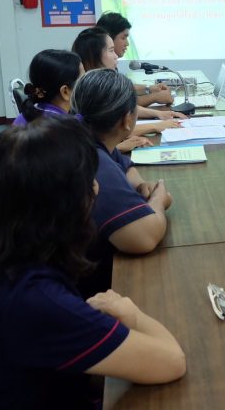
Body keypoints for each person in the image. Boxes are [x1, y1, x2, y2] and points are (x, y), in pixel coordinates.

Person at [0, 117, 186, 409]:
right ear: (64, 204)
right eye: (88, 183)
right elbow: (172, 360)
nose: (96, 189)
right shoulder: (33, 299)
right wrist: (130, 313)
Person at [72, 69, 174, 295]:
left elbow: (124, 165)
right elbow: (144, 238)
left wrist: (139, 185)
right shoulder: (95, 164)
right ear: (128, 120)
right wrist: (159, 199)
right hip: (81, 289)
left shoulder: (84, 135)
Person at [72, 27, 183, 144]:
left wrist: (159, 114)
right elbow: (110, 132)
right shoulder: (88, 90)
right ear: (93, 56)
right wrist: (156, 126)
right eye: (111, 51)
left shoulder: (99, 83)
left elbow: (122, 107)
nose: (116, 56)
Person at [96, 12, 174, 107]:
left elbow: (123, 89)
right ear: (109, 38)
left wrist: (151, 88)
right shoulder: (97, 71)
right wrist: (155, 97)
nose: (127, 43)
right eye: (123, 38)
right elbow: (119, 104)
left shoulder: (108, 65)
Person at [13, 49, 83, 126]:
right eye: (84, 80)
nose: (87, 84)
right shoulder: (69, 126)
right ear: (65, 92)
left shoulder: (23, 117)